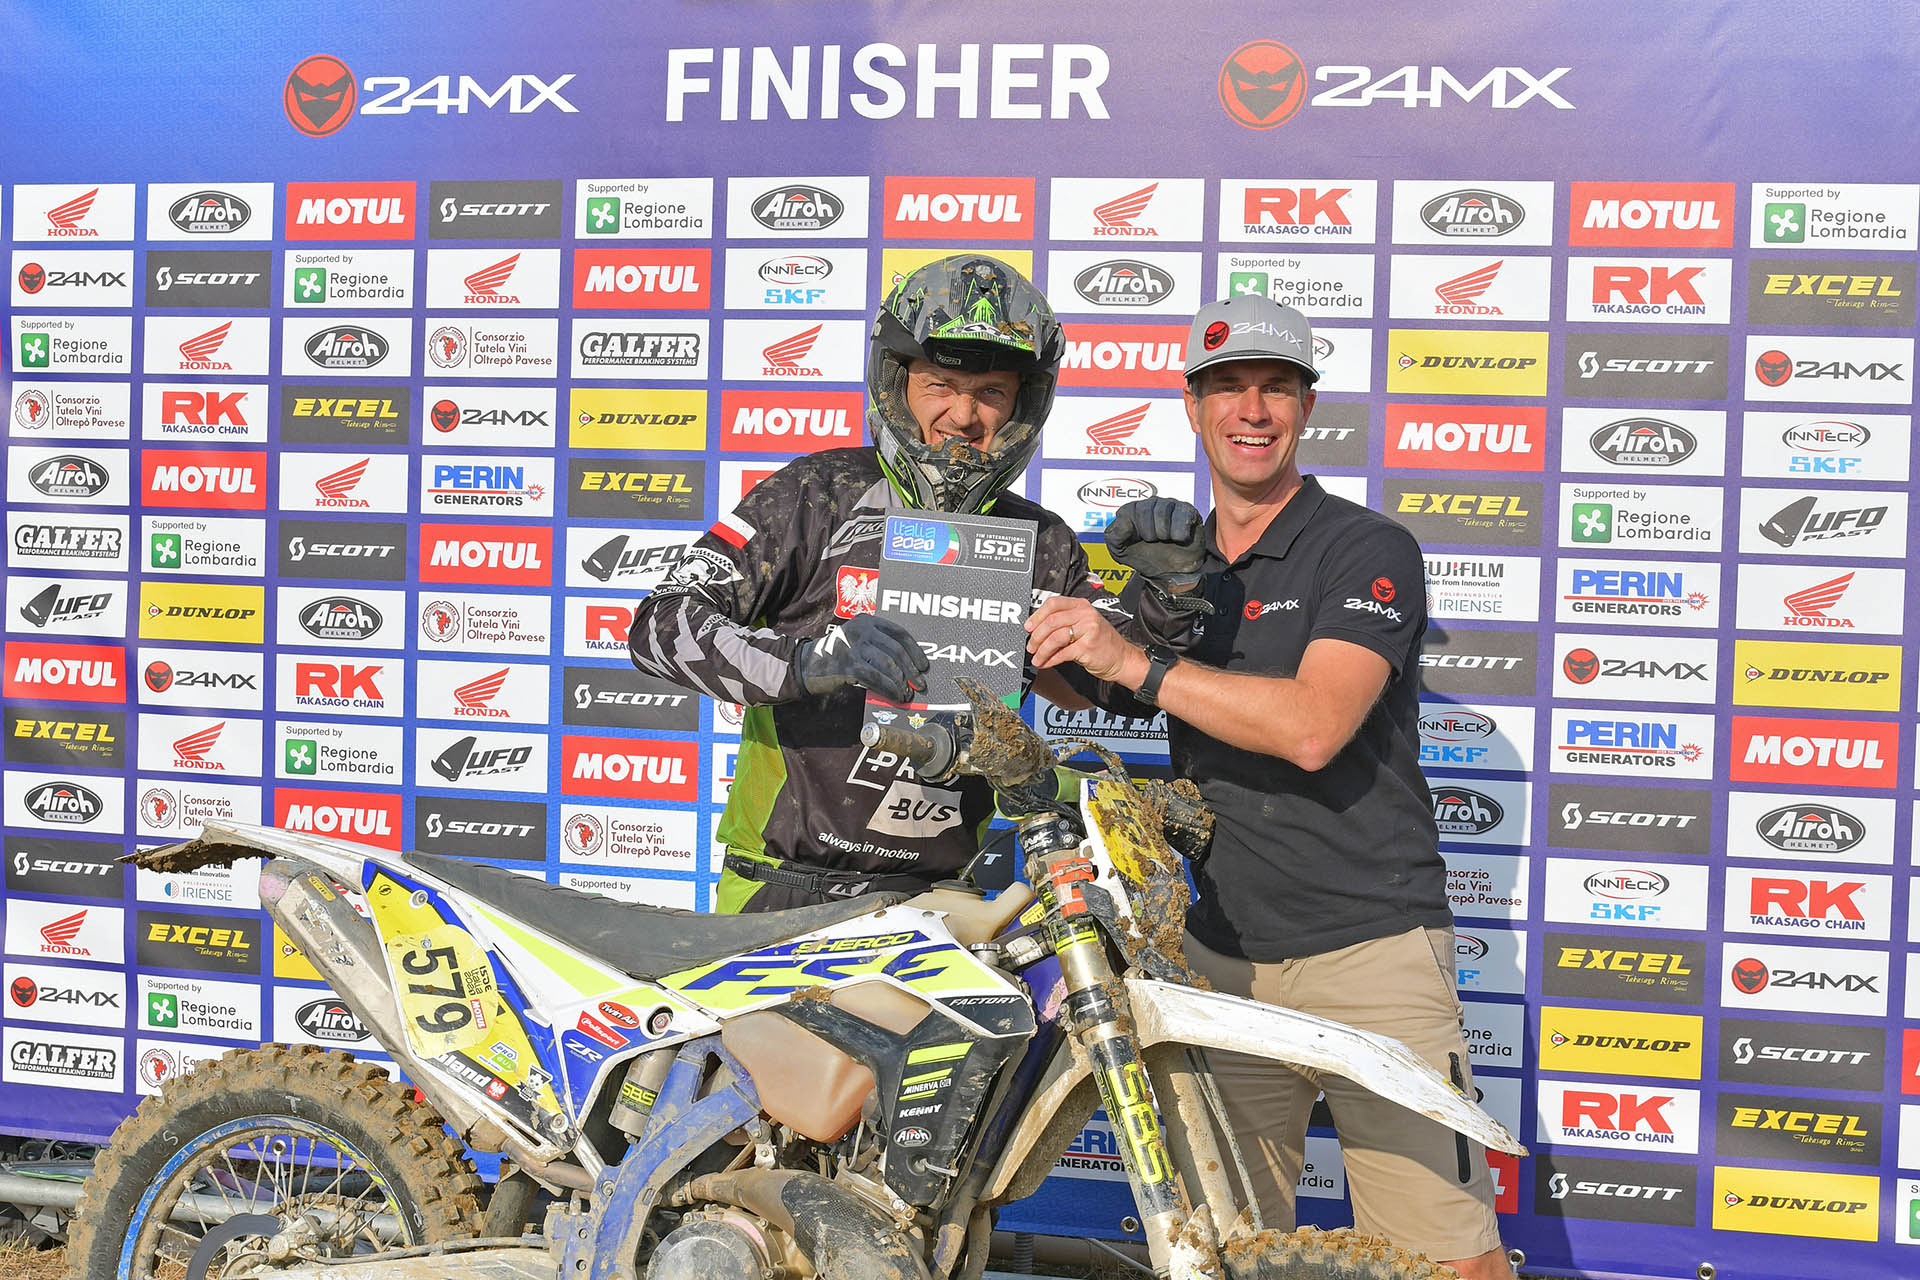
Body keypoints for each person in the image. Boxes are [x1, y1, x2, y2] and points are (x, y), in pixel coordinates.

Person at [1025, 295, 1513, 1280]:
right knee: (1224, 1254)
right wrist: (1019, 628)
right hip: (1221, 958)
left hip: (1373, 950)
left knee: (1452, 1263)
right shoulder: (1178, 567)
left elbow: (1314, 727)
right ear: (1192, 406)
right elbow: (1092, 687)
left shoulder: (1366, 547)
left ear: (1306, 406)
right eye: (1228, 389)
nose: (1252, 411)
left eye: (1276, 388)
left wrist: (1136, 658)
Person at [629, 254, 1190, 913]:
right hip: (782, 889)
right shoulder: (818, 494)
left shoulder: (1041, 541)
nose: (963, 415)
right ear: (897, 383)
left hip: (939, 904)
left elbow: (1125, 691)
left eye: (991, 393)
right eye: (940, 384)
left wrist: (1171, 598)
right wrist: (812, 662)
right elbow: (658, 625)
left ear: (1024, 405)